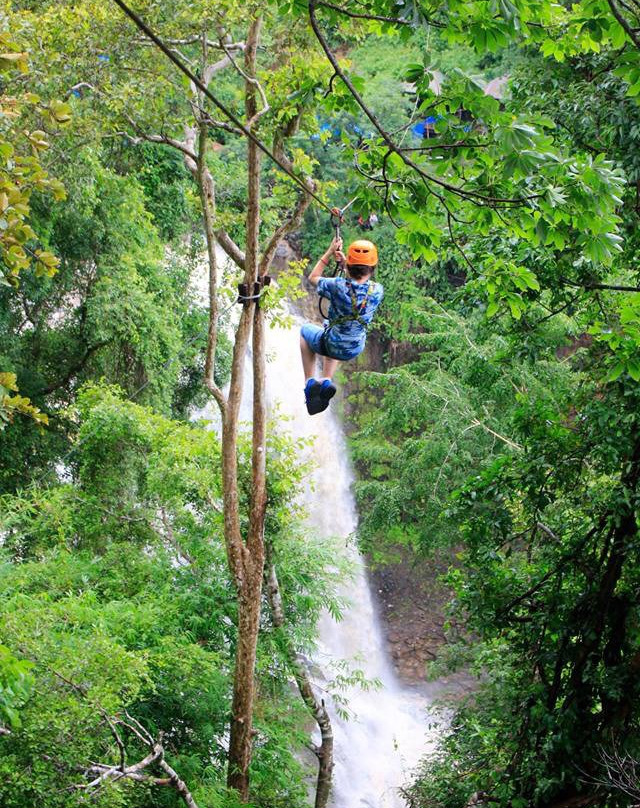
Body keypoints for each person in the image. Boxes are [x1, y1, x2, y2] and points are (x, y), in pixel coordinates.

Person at [300, 237, 383, 415]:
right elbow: (356, 285)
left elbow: (313, 277)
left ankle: (309, 383)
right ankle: (327, 380)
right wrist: (347, 265)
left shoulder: (336, 285)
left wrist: (330, 252)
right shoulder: (377, 290)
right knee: (332, 328)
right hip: (355, 347)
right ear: (373, 268)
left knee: (305, 332)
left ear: (349, 267)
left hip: (332, 343)